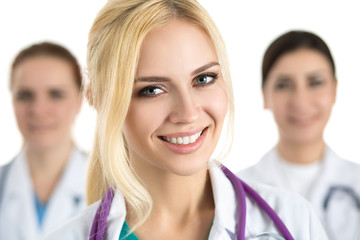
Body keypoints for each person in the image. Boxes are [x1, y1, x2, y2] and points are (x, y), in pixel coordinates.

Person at [45, 1, 328, 239]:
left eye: (203, 79)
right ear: (99, 99)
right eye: (152, 90)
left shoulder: (294, 221)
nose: (189, 113)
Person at [238, 30, 360, 240]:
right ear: (265, 95)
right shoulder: (238, 193)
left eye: (315, 82)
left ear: (334, 90)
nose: (301, 102)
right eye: (284, 85)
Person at [0, 42, 88, 240]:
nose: (38, 110)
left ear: (79, 100)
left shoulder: (115, 192)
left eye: (56, 94)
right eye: (25, 96)